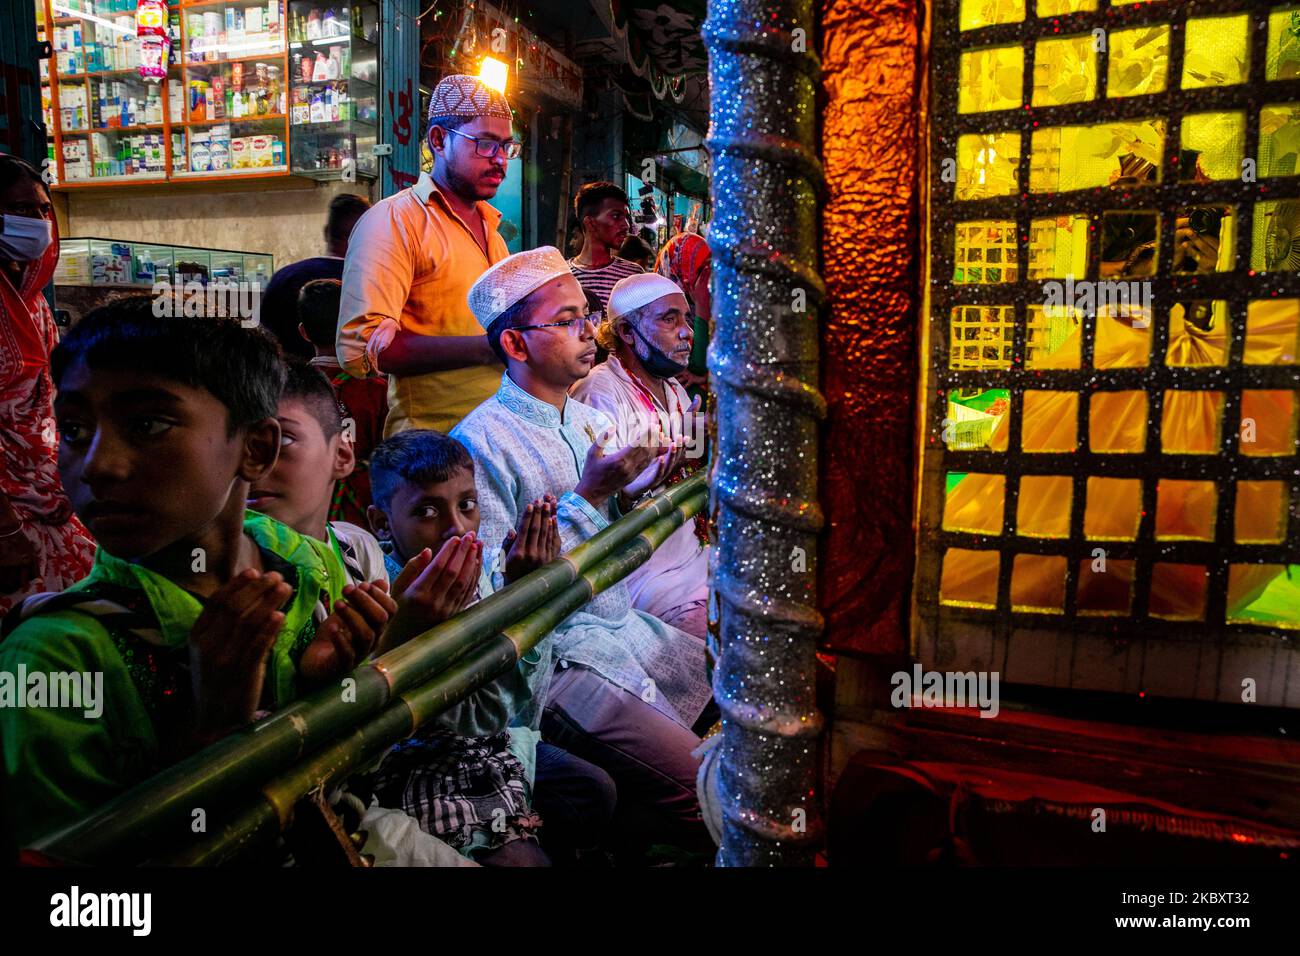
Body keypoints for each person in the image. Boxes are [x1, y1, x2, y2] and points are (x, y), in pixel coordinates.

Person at [0, 299, 396, 846]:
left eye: (146, 424)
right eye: (72, 429)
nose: (96, 464)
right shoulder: (53, 656)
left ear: (256, 448)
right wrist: (210, 731)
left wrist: (326, 689)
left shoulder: (303, 564)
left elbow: (355, 768)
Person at [452, 245, 713, 853]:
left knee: (738, 710)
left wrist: (629, 493)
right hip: (556, 659)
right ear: (516, 345)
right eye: (566, 321)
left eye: (585, 314)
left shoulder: (585, 422)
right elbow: (490, 590)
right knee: (709, 790)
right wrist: (595, 493)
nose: (587, 332)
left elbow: (618, 536)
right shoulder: (483, 442)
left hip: (622, 627)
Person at [363, 429, 618, 864]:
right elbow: (478, 715)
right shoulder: (383, 591)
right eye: (426, 510)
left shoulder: (473, 574)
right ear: (382, 523)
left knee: (595, 788)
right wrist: (521, 605)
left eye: (467, 505)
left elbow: (513, 712)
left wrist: (522, 594)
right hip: (418, 766)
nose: (456, 529)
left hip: (491, 744)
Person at [338, 74, 518, 436]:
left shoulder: (493, 228)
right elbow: (361, 349)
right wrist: (490, 348)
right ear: (438, 140)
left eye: (507, 147)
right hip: (432, 452)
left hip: (498, 438)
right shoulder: (394, 221)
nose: (500, 160)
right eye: (485, 144)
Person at [571, 273, 709, 641]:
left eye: (686, 318)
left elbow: (686, 465)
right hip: (644, 580)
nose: (687, 333)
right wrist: (637, 489)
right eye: (669, 319)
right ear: (628, 333)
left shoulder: (676, 389)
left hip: (693, 559)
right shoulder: (599, 390)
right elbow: (600, 504)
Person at [0, 154, 95, 619]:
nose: (36, 223)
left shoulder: (32, 301)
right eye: (18, 210)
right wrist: (5, 529)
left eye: (41, 210)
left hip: (46, 497)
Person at [246, 358, 387, 593]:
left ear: (341, 455)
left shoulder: (359, 550)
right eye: (237, 444)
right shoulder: (215, 570)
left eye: (283, 439)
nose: (252, 465)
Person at [296, 278, 388, 526]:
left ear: (303, 332)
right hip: (363, 508)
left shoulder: (287, 388)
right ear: (355, 328)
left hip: (306, 501)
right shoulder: (379, 390)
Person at [259, 192, 370, 358]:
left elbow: (264, 343)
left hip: (285, 381)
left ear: (326, 233)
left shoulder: (283, 278)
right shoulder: (372, 284)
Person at [567, 181, 644, 315]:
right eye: (616, 216)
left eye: (626, 217)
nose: (626, 225)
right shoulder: (563, 275)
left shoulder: (633, 275)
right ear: (590, 223)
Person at [655, 230, 712, 394]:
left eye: (712, 267)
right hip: (678, 410)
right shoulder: (657, 312)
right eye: (702, 270)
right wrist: (702, 306)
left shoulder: (715, 301)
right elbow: (696, 364)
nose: (709, 277)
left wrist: (706, 377)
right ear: (679, 268)